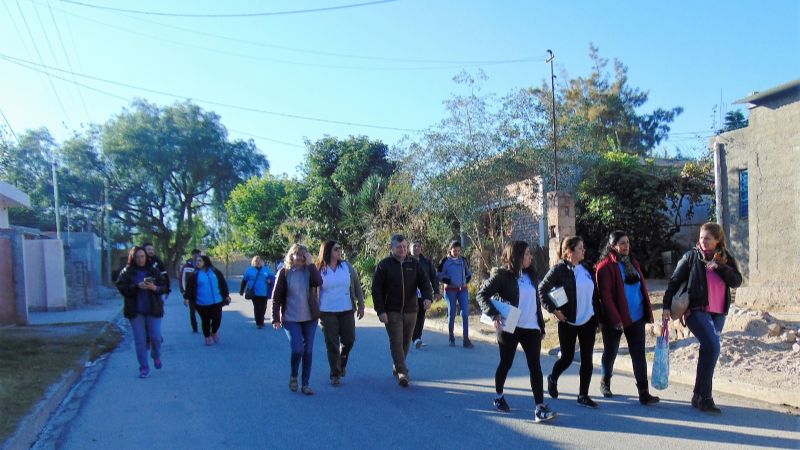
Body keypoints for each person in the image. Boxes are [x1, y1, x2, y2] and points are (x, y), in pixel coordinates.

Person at [662, 222, 742, 414]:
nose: (702, 241)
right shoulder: (691, 256)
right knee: (713, 347)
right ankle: (706, 398)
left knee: (708, 351)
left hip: (718, 312)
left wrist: (720, 268)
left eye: (707, 238)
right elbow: (674, 281)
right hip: (696, 311)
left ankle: (698, 395)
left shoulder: (725, 258)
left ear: (717, 240)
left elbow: (737, 281)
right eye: (701, 237)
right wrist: (665, 307)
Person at [477, 241, 557, 423]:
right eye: (527, 254)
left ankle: (539, 408)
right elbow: (482, 294)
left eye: (530, 254)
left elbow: (536, 302)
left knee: (535, 367)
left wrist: (541, 326)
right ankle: (498, 396)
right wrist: (493, 313)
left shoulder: (531, 275)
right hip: (510, 324)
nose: (531, 256)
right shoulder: (503, 276)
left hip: (531, 328)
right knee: (506, 363)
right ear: (518, 256)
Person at [595, 231, 659, 405]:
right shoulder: (605, 267)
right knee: (611, 352)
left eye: (627, 242)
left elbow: (640, 288)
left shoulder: (632, 262)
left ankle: (644, 393)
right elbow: (606, 297)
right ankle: (605, 381)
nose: (626, 246)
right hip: (615, 321)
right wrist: (617, 320)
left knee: (639, 355)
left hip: (636, 317)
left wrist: (647, 311)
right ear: (613, 246)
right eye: (622, 243)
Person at [539, 236, 600, 409]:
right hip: (568, 321)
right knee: (567, 358)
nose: (584, 251)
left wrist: (597, 315)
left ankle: (583, 395)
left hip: (588, 320)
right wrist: (554, 311)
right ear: (570, 251)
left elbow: (594, 293)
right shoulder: (559, 269)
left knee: (587, 359)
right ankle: (553, 378)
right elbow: (542, 289)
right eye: (580, 248)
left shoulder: (587, 268)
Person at [372, 234, 433, 387]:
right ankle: (403, 372)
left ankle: (398, 364)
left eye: (405, 247)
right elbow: (376, 290)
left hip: (412, 310)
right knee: (396, 342)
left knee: (406, 343)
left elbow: (424, 282)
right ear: (392, 248)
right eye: (399, 247)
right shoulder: (384, 265)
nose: (403, 249)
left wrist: (428, 297)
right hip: (392, 311)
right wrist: (380, 311)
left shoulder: (414, 263)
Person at [272, 244, 323, 395]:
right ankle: (294, 375)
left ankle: (305, 384)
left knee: (308, 351)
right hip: (290, 318)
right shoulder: (284, 273)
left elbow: (319, 282)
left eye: (303, 254)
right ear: (291, 256)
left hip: (310, 318)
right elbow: (276, 298)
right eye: (297, 254)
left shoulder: (310, 272)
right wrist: (275, 318)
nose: (300, 257)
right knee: (298, 349)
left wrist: (311, 264)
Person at [315, 241, 365, 386]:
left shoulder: (346, 266)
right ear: (328, 251)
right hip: (326, 312)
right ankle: (335, 373)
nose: (339, 251)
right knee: (332, 343)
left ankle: (342, 362)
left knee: (349, 340)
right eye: (336, 249)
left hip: (346, 310)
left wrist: (361, 305)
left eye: (340, 249)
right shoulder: (319, 269)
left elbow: (356, 285)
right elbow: (312, 290)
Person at [115, 246, 168, 378]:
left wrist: (154, 287)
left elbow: (165, 287)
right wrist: (136, 286)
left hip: (153, 309)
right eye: (137, 257)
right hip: (136, 311)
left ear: (146, 257)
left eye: (142, 256)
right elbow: (121, 287)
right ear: (133, 258)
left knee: (156, 338)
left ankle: (156, 355)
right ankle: (144, 368)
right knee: (140, 340)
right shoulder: (127, 272)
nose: (140, 259)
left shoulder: (154, 271)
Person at [183, 255, 230, 346]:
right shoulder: (195, 274)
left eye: (200, 261)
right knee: (206, 320)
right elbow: (189, 288)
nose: (197, 262)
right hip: (202, 302)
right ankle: (207, 337)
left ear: (205, 261)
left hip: (217, 301)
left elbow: (223, 284)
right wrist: (187, 298)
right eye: (197, 261)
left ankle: (214, 332)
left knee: (217, 318)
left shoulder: (215, 272)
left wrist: (226, 295)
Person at [438, 240, 473, 348]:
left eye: (458, 250)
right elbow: (439, 275)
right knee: (452, 313)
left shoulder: (463, 260)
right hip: (450, 291)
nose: (457, 252)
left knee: (465, 314)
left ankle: (466, 339)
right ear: (450, 250)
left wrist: (464, 282)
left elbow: (469, 274)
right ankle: (451, 337)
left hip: (463, 290)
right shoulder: (444, 261)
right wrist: (450, 282)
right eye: (454, 250)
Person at [410, 240, 440, 349]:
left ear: (421, 248)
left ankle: (418, 338)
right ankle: (415, 338)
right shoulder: (405, 260)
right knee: (412, 315)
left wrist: (436, 291)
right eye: (414, 246)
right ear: (410, 248)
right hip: (410, 294)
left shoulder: (426, 262)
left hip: (423, 294)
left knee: (421, 316)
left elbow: (434, 277)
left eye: (418, 246)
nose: (416, 248)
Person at [239, 255, 276, 329]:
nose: (258, 262)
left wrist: (270, 281)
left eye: (259, 260)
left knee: (263, 307)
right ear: (253, 262)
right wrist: (241, 290)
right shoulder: (249, 270)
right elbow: (244, 281)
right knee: (257, 307)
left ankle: (261, 320)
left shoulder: (266, 269)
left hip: (264, 292)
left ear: (261, 262)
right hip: (254, 293)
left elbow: (273, 278)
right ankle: (258, 323)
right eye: (256, 261)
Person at [179, 248, 202, 333]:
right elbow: (182, 279)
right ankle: (194, 327)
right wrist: (184, 293)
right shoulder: (186, 266)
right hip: (191, 294)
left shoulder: (203, 266)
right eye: (196, 255)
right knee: (192, 311)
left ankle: (205, 325)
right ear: (192, 255)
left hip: (201, 293)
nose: (197, 257)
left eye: (199, 255)